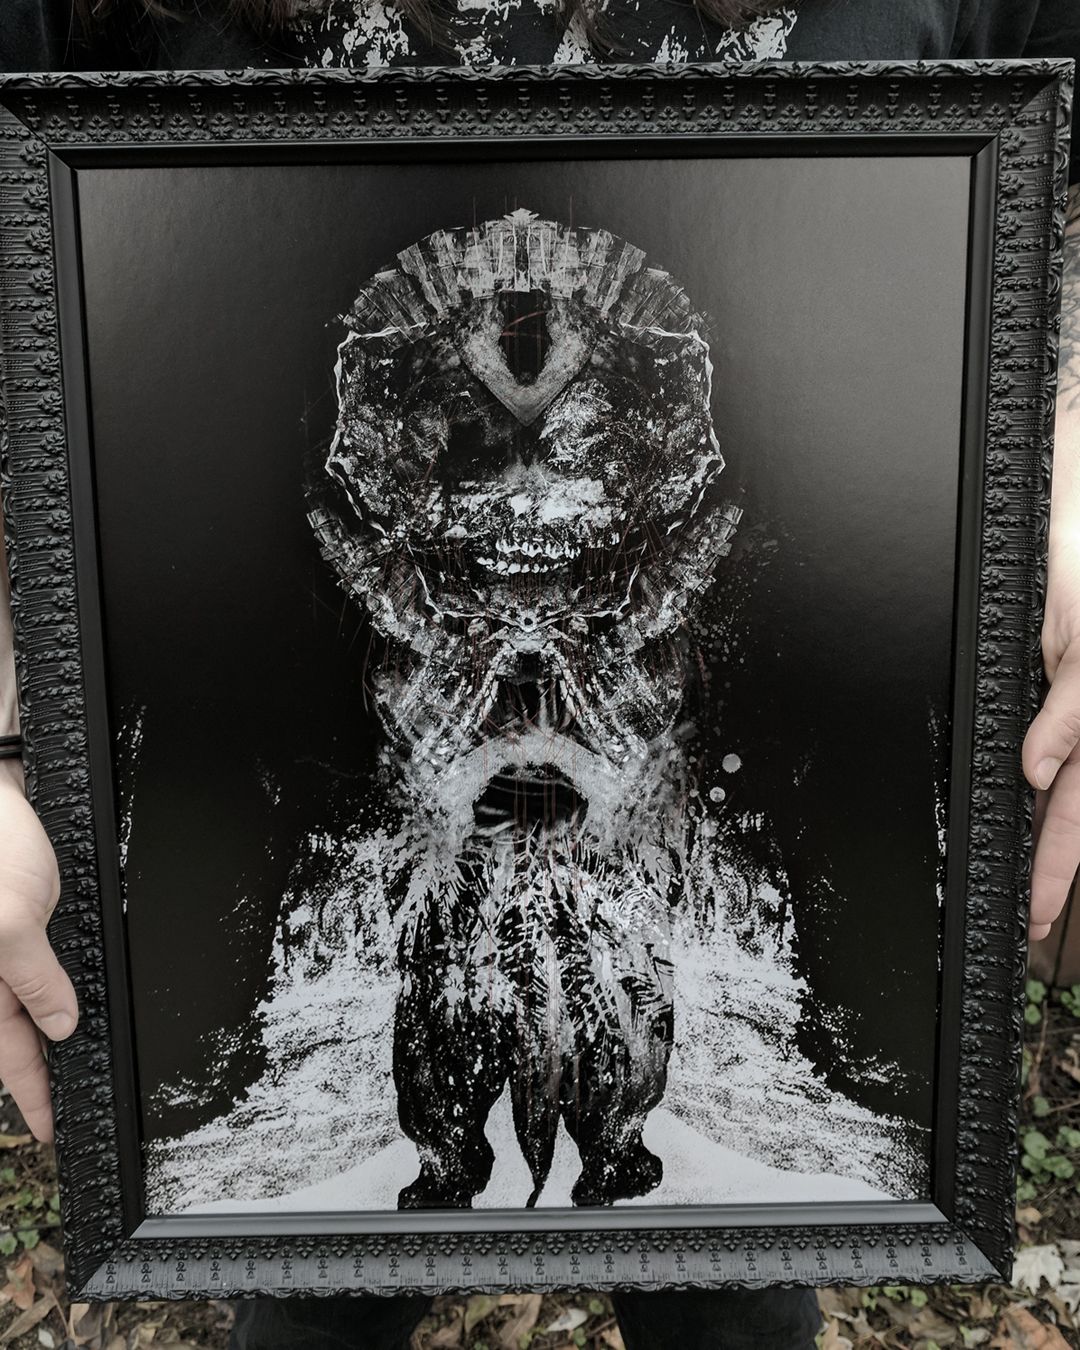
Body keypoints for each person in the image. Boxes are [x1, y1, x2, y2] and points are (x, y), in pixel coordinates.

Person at [3, 2, 1080, 1347]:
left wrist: (1070, 465)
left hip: (749, 742)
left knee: (734, 1290)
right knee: (312, 1287)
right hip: (278, 758)